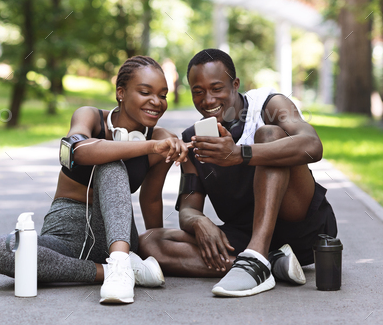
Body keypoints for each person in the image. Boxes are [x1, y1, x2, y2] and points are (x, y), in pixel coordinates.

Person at [0, 56, 189, 304]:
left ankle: (120, 260)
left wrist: (156, 249)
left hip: (118, 237)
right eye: (146, 92)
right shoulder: (90, 117)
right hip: (65, 235)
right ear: (121, 93)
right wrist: (150, 146)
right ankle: (115, 272)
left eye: (163, 95)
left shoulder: (161, 139)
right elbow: (77, 151)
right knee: (3, 251)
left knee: (112, 164)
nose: (156, 102)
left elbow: (151, 199)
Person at [139, 49, 337, 297]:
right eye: (198, 92)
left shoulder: (269, 106)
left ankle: (256, 257)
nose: (208, 100)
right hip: (242, 236)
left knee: (269, 135)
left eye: (216, 88)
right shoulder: (195, 138)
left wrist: (239, 154)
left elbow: (312, 146)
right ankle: (271, 264)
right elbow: (189, 207)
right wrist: (199, 221)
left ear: (235, 84)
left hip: (301, 226)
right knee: (149, 242)